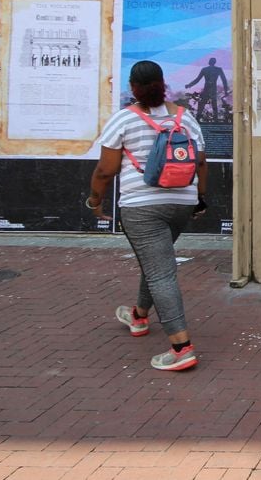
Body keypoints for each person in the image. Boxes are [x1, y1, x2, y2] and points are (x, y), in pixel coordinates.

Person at [87, 60, 207, 372]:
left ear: (133, 87)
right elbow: (201, 163)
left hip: (142, 208)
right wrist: (200, 200)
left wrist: (94, 200)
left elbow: (106, 169)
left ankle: (181, 347)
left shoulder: (124, 119)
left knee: (160, 272)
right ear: (162, 83)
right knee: (157, 262)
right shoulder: (185, 117)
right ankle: (139, 315)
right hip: (181, 201)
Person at [185, 57, 228, 122]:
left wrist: (189, 85)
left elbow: (197, 79)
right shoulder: (218, 69)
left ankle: (198, 119)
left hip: (207, 88)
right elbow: (224, 80)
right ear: (214, 62)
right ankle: (214, 120)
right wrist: (225, 91)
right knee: (213, 105)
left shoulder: (205, 69)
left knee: (203, 104)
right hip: (212, 89)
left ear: (209, 62)